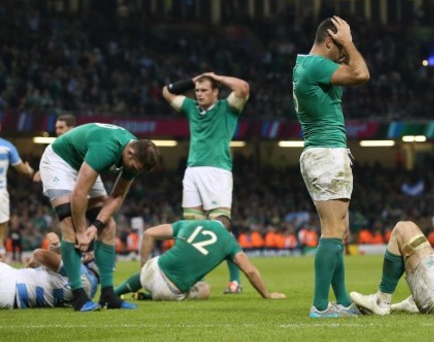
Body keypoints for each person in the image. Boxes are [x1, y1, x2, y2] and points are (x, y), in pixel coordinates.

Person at [292, 15, 370, 318]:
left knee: (341, 231)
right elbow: (361, 74)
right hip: (326, 154)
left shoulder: (305, 66)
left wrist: (346, 44)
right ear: (329, 42)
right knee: (332, 230)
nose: (343, 55)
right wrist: (349, 44)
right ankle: (321, 306)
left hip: (321, 153)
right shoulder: (315, 65)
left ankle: (343, 302)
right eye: (339, 48)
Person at [39, 122, 160, 311]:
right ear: (130, 153)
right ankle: (79, 297)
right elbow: (79, 193)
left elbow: (118, 195)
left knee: (108, 226)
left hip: (84, 163)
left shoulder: (135, 156)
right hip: (59, 162)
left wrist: (94, 226)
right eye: (136, 166)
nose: (136, 170)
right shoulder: (106, 149)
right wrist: (81, 231)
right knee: (69, 226)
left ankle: (108, 295)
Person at [162, 71, 250, 294]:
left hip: (217, 172)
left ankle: (234, 280)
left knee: (220, 228)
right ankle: (189, 279)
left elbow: (243, 88)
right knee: (192, 229)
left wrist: (217, 77)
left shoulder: (227, 108)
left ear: (216, 92)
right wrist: (192, 81)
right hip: (192, 171)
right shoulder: (191, 107)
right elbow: (167, 92)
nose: (199, 94)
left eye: (204, 90)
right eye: (197, 91)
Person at [114, 219, 285, 302]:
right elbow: (250, 270)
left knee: (156, 265)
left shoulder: (189, 223)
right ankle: (151, 297)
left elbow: (148, 234)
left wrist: (144, 268)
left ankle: (114, 293)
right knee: (205, 288)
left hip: (150, 273)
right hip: (170, 292)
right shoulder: (229, 240)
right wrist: (267, 295)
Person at [0, 233, 99, 309]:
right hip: (14, 293)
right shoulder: (89, 292)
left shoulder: (81, 272)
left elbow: (39, 255)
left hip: (10, 282)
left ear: (88, 256)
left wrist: (56, 247)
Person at [0, 129, 37, 259]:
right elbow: (22, 169)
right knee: (2, 222)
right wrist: (29, 170)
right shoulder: (7, 147)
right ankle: (1, 251)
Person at [33, 114, 76, 183]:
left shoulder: (82, 145)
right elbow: (37, 177)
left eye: (61, 127)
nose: (57, 131)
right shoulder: (53, 147)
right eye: (56, 128)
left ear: (71, 128)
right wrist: (42, 171)